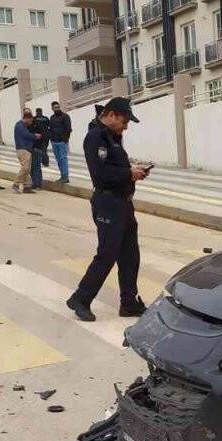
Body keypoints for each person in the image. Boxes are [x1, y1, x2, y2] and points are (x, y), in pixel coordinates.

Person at [66, 97, 150, 322]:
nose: (126, 126)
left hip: (123, 203)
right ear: (111, 114)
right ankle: (80, 298)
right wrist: (128, 174)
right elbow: (100, 174)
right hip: (108, 203)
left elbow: (115, 167)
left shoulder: (112, 137)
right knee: (107, 254)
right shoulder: (95, 137)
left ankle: (129, 302)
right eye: (124, 120)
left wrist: (133, 171)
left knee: (130, 254)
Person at [12, 112, 37, 194]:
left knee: (27, 169)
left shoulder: (23, 126)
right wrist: (35, 136)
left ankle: (26, 186)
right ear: (26, 118)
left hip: (26, 149)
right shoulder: (20, 126)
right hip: (23, 149)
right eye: (30, 121)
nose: (31, 123)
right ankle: (16, 183)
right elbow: (26, 135)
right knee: (25, 168)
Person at [48, 101, 72, 183]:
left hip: (62, 142)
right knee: (58, 160)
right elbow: (50, 129)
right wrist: (51, 139)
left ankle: (65, 176)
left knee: (63, 159)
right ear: (52, 109)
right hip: (54, 142)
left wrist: (65, 140)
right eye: (55, 107)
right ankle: (62, 175)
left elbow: (69, 129)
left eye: (58, 107)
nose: (57, 109)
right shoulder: (52, 118)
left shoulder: (65, 116)